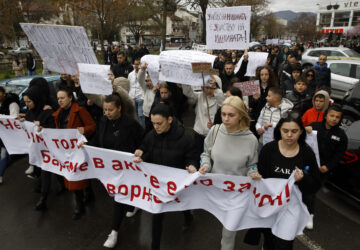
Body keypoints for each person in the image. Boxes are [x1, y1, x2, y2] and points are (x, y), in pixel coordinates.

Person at [250, 112, 321, 250]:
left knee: (285, 243)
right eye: (285, 131)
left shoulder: (307, 153)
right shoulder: (269, 149)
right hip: (270, 204)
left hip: (291, 207)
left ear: (301, 131)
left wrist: (303, 179)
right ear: (279, 130)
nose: (289, 135)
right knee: (269, 237)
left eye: (294, 131)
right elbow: (261, 175)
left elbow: (315, 184)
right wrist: (257, 176)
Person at [199, 96, 261, 250]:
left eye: (231, 115)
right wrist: (205, 165)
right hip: (215, 191)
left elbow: (252, 165)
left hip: (236, 195)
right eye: (223, 114)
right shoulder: (215, 130)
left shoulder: (251, 140)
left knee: (228, 232)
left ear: (241, 115)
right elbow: (205, 153)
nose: (226, 119)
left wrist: (253, 173)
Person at [133, 103, 197, 250]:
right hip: (158, 184)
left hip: (177, 182)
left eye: (159, 123)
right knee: (157, 214)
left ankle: (188, 217)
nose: (155, 127)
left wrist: (192, 165)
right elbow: (146, 148)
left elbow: (191, 157)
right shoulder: (151, 135)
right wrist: (141, 154)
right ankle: (155, 245)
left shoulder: (186, 138)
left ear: (169, 119)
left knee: (182, 203)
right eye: (153, 123)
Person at [89, 94, 144, 248]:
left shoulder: (130, 124)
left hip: (128, 169)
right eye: (105, 110)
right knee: (121, 196)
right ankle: (133, 205)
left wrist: (140, 150)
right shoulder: (103, 121)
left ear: (119, 108)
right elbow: (97, 140)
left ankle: (114, 232)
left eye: (110, 110)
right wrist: (86, 145)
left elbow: (143, 140)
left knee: (118, 199)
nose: (107, 113)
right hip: (110, 169)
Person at [52, 87, 96, 219]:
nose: (60, 101)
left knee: (77, 177)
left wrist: (84, 129)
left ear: (70, 98)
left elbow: (92, 126)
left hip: (79, 150)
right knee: (74, 176)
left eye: (62, 98)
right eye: (58, 98)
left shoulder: (80, 111)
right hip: (66, 151)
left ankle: (79, 206)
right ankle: (87, 195)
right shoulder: (58, 114)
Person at [305, 105, 348, 229]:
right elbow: (301, 137)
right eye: (332, 115)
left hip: (322, 170)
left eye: (337, 117)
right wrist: (305, 129)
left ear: (340, 119)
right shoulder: (315, 126)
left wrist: (328, 167)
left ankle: (309, 215)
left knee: (311, 192)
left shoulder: (341, 135)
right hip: (307, 165)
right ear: (326, 115)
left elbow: (339, 155)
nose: (334, 119)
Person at [20, 87, 56, 209]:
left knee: (46, 171)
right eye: (25, 102)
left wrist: (42, 125)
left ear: (36, 99)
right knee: (43, 170)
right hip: (37, 149)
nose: (27, 104)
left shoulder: (48, 112)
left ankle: (43, 199)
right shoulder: (30, 113)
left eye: (29, 101)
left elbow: (54, 130)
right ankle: (54, 186)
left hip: (49, 150)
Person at [182, 76, 225, 167]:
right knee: (198, 154)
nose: (209, 91)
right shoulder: (200, 96)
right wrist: (185, 80)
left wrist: (215, 88)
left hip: (213, 134)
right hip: (199, 132)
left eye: (211, 88)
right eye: (207, 88)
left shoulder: (219, 97)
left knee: (211, 157)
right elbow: (188, 92)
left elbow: (222, 102)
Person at [248, 66, 278, 135]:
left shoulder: (273, 87)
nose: (264, 77)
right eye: (262, 74)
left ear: (269, 75)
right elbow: (250, 105)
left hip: (268, 117)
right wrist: (254, 99)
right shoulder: (254, 86)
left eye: (266, 74)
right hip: (256, 117)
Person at [0, 87, 20, 184]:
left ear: (4, 93)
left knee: (3, 154)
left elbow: (13, 120)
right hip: (1, 134)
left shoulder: (12, 104)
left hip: (7, 136)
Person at [128, 58, 146, 127]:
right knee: (134, 115)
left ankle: (142, 131)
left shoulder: (144, 74)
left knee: (141, 115)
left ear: (140, 65)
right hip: (132, 96)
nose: (136, 66)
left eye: (138, 64)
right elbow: (129, 85)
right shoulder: (130, 74)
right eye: (135, 64)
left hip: (141, 97)